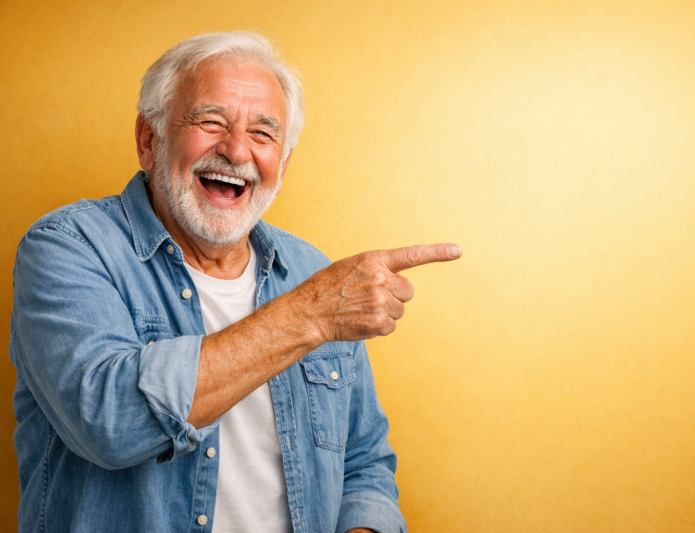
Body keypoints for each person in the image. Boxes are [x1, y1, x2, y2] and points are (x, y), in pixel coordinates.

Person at [10, 32, 461, 533]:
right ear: (148, 140)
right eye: (211, 122)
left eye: (264, 135)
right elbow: (108, 422)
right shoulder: (68, 246)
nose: (236, 150)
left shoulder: (313, 271)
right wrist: (311, 315)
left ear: (282, 167)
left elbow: (362, 462)